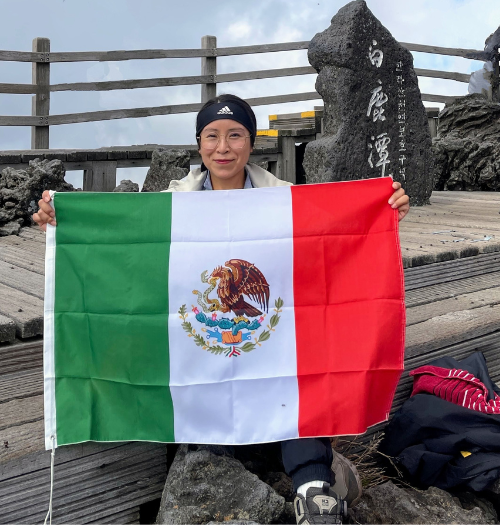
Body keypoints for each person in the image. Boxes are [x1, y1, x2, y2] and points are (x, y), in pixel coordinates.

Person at [34, 94, 410, 524]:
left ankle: (315, 491)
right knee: (206, 435)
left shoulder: (285, 201)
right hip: (204, 357)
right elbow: (128, 245)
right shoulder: (173, 204)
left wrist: (385, 210)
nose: (223, 147)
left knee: (296, 392)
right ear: (199, 144)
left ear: (251, 143)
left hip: (269, 351)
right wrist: (64, 221)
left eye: (235, 135)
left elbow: (333, 241)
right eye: (211, 136)